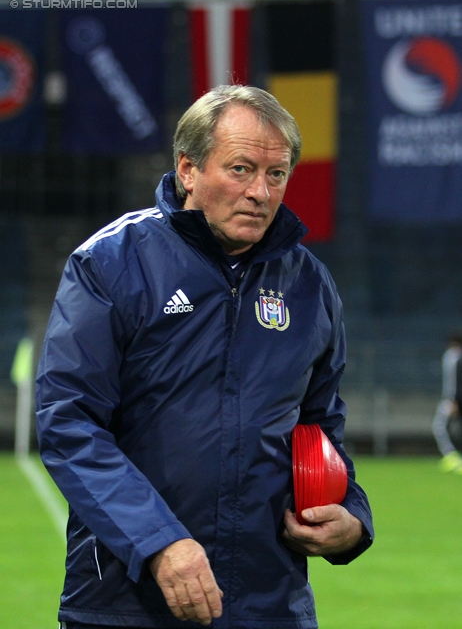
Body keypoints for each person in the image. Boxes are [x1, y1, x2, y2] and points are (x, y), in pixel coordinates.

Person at [36, 85, 374, 629]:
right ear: (188, 170)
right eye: (241, 169)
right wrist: (158, 542)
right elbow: (69, 422)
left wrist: (352, 516)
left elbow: (320, 429)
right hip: (128, 601)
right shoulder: (112, 263)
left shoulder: (309, 284)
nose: (261, 192)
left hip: (269, 603)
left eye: (276, 174)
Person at [432, 334, 462, 472]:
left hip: (452, 399)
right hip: (455, 398)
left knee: (439, 426)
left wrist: (453, 399)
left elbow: (453, 381)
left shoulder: (452, 356)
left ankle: (451, 456)